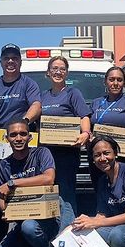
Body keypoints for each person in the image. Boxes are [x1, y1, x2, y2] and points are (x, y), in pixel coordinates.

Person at [0, 44, 42, 247]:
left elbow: (36, 106)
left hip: (22, 144)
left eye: (15, 58)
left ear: (20, 62)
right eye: (7, 58)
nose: (11, 62)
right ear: (1, 62)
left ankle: (30, 233)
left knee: (27, 187)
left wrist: (22, 123)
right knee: (0, 189)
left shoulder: (28, 84)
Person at [0, 119, 60, 247]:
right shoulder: (4, 164)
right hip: (20, 222)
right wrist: (5, 211)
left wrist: (13, 183)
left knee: (30, 226)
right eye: (13, 135)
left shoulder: (41, 153)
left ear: (30, 137)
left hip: (46, 221)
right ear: (7, 139)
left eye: (23, 134)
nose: (18, 138)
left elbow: (49, 178)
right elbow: (1, 197)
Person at [39, 56, 89, 230]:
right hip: (46, 154)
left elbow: (84, 116)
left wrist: (85, 133)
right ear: (48, 72)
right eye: (54, 68)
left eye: (62, 69)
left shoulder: (73, 93)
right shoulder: (42, 96)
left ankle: (66, 236)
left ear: (67, 73)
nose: (58, 72)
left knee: (66, 195)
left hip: (67, 154)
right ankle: (50, 232)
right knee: (49, 195)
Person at [89, 66, 125, 174]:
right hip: (100, 158)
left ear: (124, 83)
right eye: (111, 79)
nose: (115, 83)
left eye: (119, 80)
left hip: (124, 155)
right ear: (105, 82)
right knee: (102, 188)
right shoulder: (96, 103)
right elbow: (88, 123)